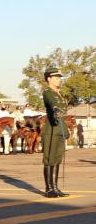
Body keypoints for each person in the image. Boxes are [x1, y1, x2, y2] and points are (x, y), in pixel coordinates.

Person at [42, 67, 69, 197]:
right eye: (56, 77)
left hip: (60, 128)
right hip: (51, 129)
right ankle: (49, 189)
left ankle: (55, 188)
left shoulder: (59, 94)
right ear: (49, 79)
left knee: (57, 158)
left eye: (59, 77)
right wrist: (55, 108)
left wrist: (66, 129)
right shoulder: (48, 92)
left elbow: (62, 115)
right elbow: (52, 103)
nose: (59, 80)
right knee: (49, 159)